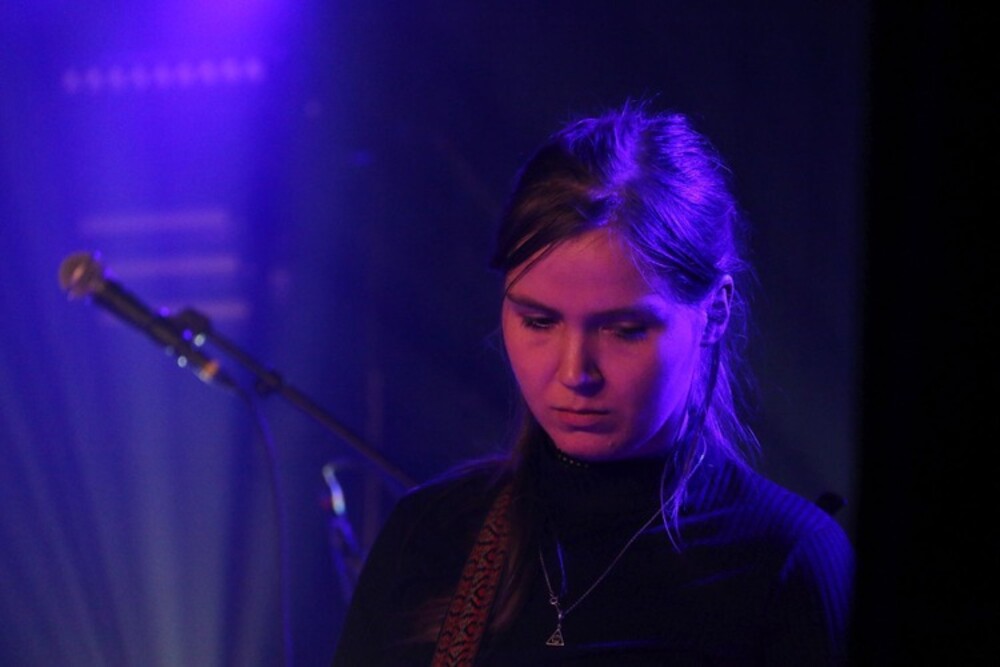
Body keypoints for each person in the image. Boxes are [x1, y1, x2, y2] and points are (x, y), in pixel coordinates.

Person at [331, 101, 854, 666]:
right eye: (539, 322)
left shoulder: (786, 563)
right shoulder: (430, 537)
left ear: (716, 313)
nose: (574, 373)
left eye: (624, 330)